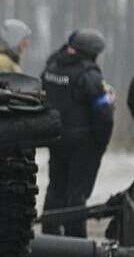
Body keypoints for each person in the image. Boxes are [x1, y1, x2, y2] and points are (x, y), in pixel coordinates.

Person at [40, 29, 114, 237]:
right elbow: (104, 114)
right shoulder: (89, 75)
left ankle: (49, 237)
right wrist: (101, 142)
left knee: (55, 187)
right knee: (76, 194)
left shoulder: (51, 68)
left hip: (56, 138)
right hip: (82, 144)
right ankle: (76, 243)